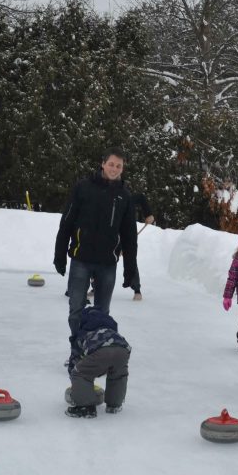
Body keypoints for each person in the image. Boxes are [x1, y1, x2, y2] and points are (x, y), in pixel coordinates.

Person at [54, 148, 138, 363]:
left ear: (122, 169)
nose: (114, 169)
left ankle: (94, 351)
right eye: (111, 164)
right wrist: (60, 254)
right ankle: (76, 350)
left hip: (107, 263)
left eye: (119, 166)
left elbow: (129, 236)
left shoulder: (124, 196)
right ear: (103, 164)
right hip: (81, 259)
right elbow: (67, 222)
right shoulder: (84, 188)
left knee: (102, 312)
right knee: (76, 309)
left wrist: (130, 270)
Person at [65, 306, 131, 418]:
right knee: (118, 375)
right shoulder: (111, 328)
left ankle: (85, 407)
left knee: (81, 373)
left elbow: (76, 358)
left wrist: (74, 379)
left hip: (100, 350)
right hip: (123, 349)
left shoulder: (84, 332)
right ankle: (114, 405)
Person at [127, 191, 154, 300]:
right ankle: (96, 287)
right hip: (108, 234)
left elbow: (141, 196)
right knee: (100, 259)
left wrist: (148, 214)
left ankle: (137, 290)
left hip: (128, 232)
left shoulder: (126, 196)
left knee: (131, 259)